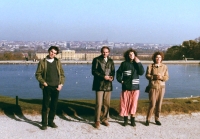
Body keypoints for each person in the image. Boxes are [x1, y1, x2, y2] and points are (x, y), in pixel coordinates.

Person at [35, 46, 65, 130]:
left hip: (56, 87)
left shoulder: (57, 62)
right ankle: (44, 123)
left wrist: (61, 84)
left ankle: (50, 122)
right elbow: (38, 74)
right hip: (47, 87)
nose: (53, 54)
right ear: (48, 51)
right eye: (52, 52)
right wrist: (43, 82)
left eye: (55, 53)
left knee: (54, 106)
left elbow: (62, 74)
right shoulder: (42, 62)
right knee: (45, 105)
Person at [116, 48, 144, 126]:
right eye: (129, 54)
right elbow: (118, 73)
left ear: (135, 55)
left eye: (132, 54)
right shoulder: (124, 64)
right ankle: (125, 120)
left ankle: (132, 120)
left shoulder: (137, 63)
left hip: (135, 87)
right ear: (127, 55)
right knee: (125, 103)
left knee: (134, 104)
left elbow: (141, 72)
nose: (131, 55)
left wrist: (138, 63)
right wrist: (121, 81)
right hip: (126, 87)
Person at [92, 46, 115, 129]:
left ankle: (105, 119)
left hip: (108, 85)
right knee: (98, 103)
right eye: (103, 52)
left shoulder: (111, 61)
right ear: (101, 52)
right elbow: (94, 71)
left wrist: (112, 77)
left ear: (109, 52)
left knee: (107, 104)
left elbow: (113, 71)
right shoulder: (96, 60)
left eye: (106, 52)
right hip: (99, 84)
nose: (105, 53)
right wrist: (103, 77)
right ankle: (97, 120)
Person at [145, 51, 169, 126]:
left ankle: (157, 119)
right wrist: (154, 77)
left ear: (162, 58)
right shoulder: (150, 66)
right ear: (154, 58)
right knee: (152, 104)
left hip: (162, 87)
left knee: (159, 104)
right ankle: (148, 119)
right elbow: (147, 75)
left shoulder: (164, 67)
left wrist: (161, 77)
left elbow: (167, 77)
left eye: (159, 57)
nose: (158, 59)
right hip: (153, 87)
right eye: (157, 57)